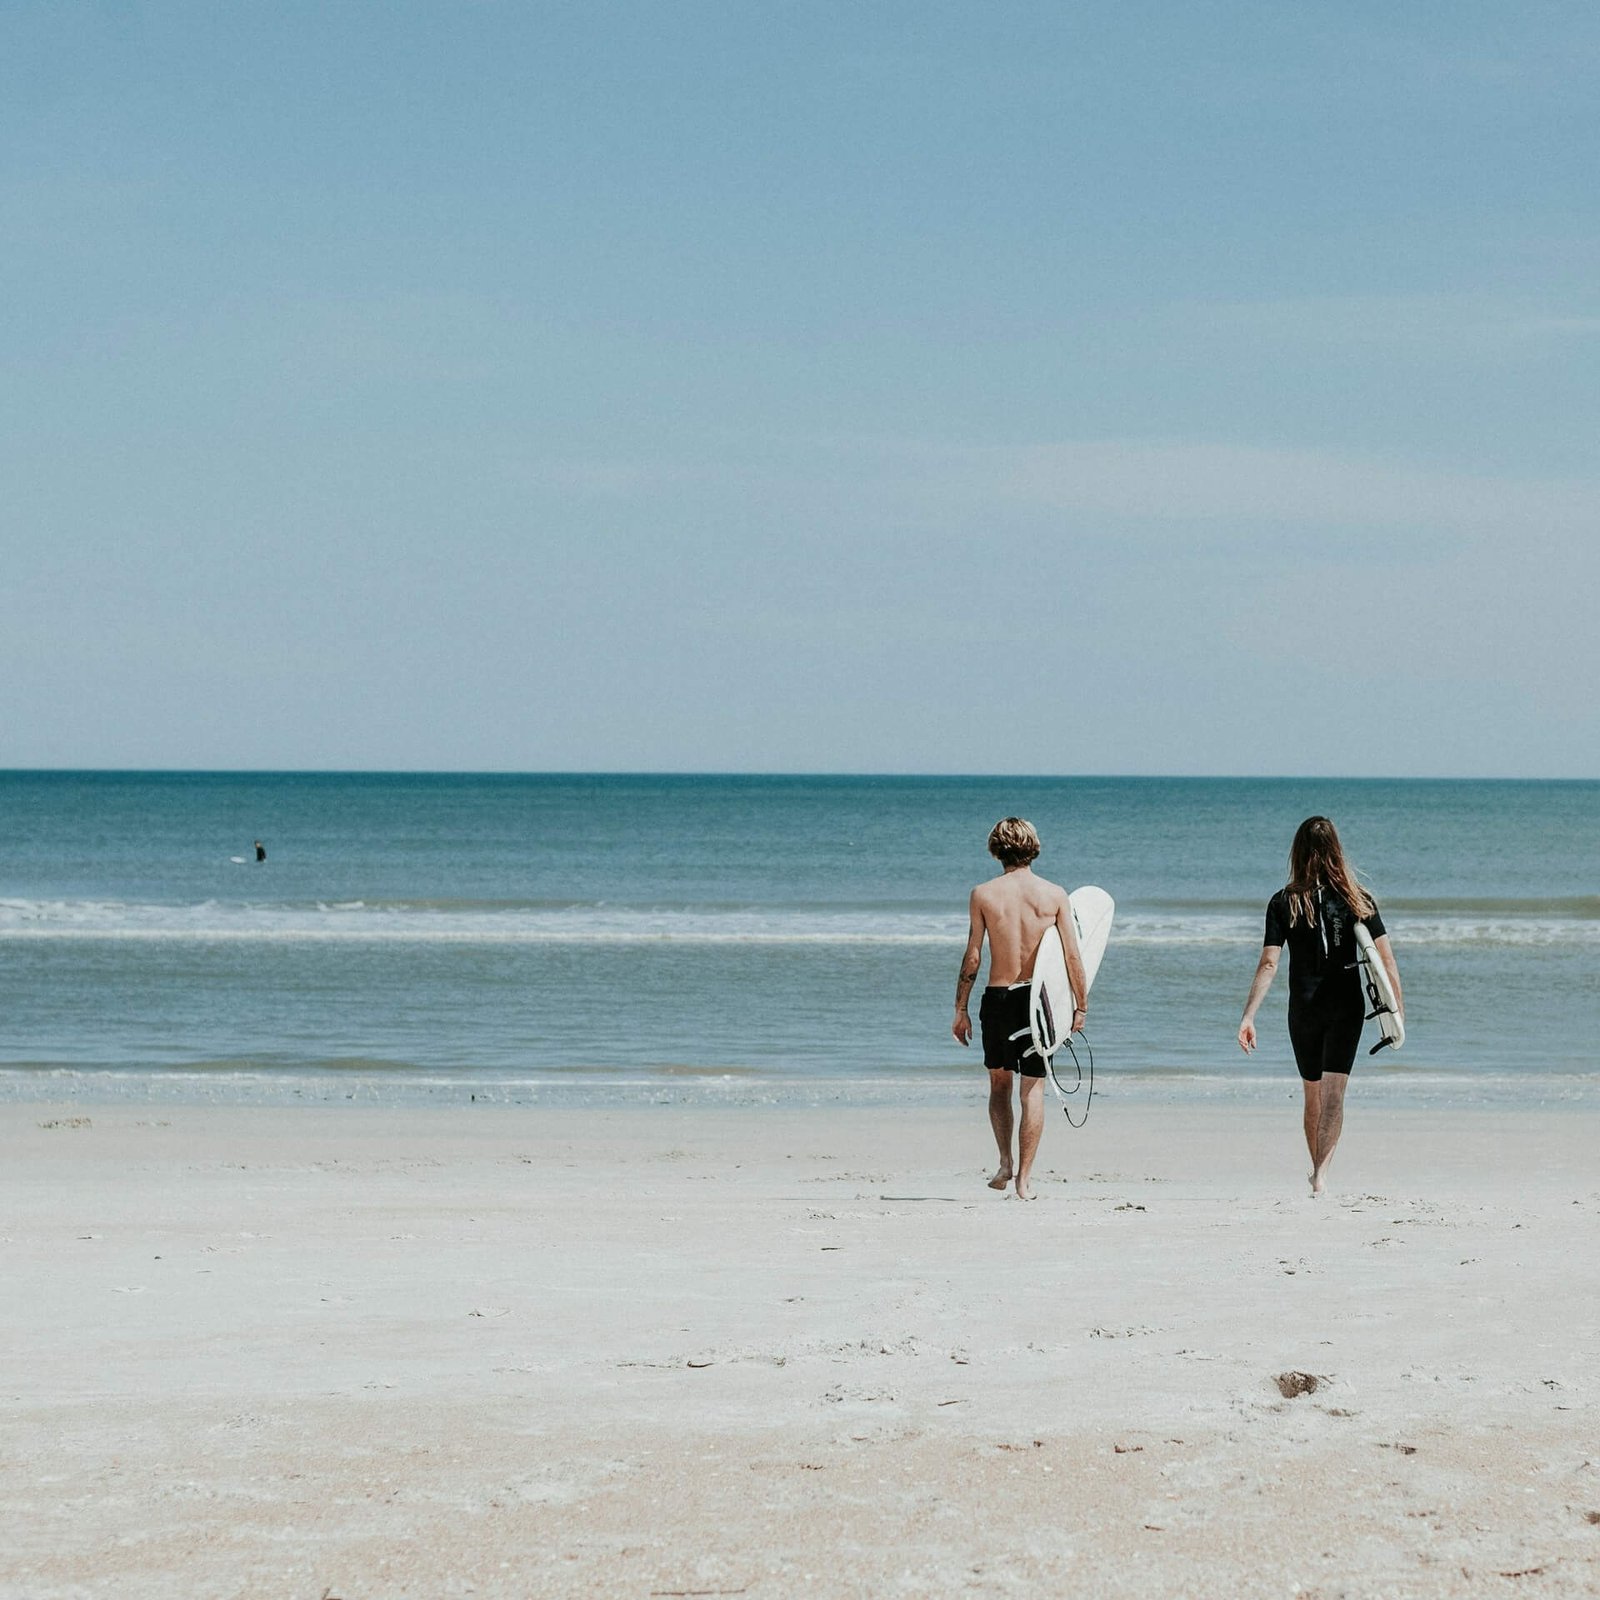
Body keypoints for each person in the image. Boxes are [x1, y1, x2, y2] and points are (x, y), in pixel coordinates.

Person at [1237, 815, 1403, 1197]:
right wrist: (1398, 1012)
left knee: (1313, 1093)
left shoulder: (1283, 902)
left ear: (1297, 851)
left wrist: (1249, 1015)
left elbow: (1269, 963)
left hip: (1304, 1009)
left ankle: (1317, 1174)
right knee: (1334, 1094)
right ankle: (1321, 1175)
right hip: (1345, 1006)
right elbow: (1386, 959)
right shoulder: (1358, 899)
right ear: (1336, 851)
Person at [952, 817, 1089, 1200]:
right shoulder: (1055, 895)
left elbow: (973, 956)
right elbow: (1072, 956)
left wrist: (960, 1008)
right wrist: (1081, 1006)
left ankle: (1005, 1163)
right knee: (1033, 1088)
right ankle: (1025, 1181)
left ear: (996, 849)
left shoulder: (983, 894)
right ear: (1034, 846)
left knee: (999, 1083)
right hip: (1036, 1003)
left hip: (997, 999)